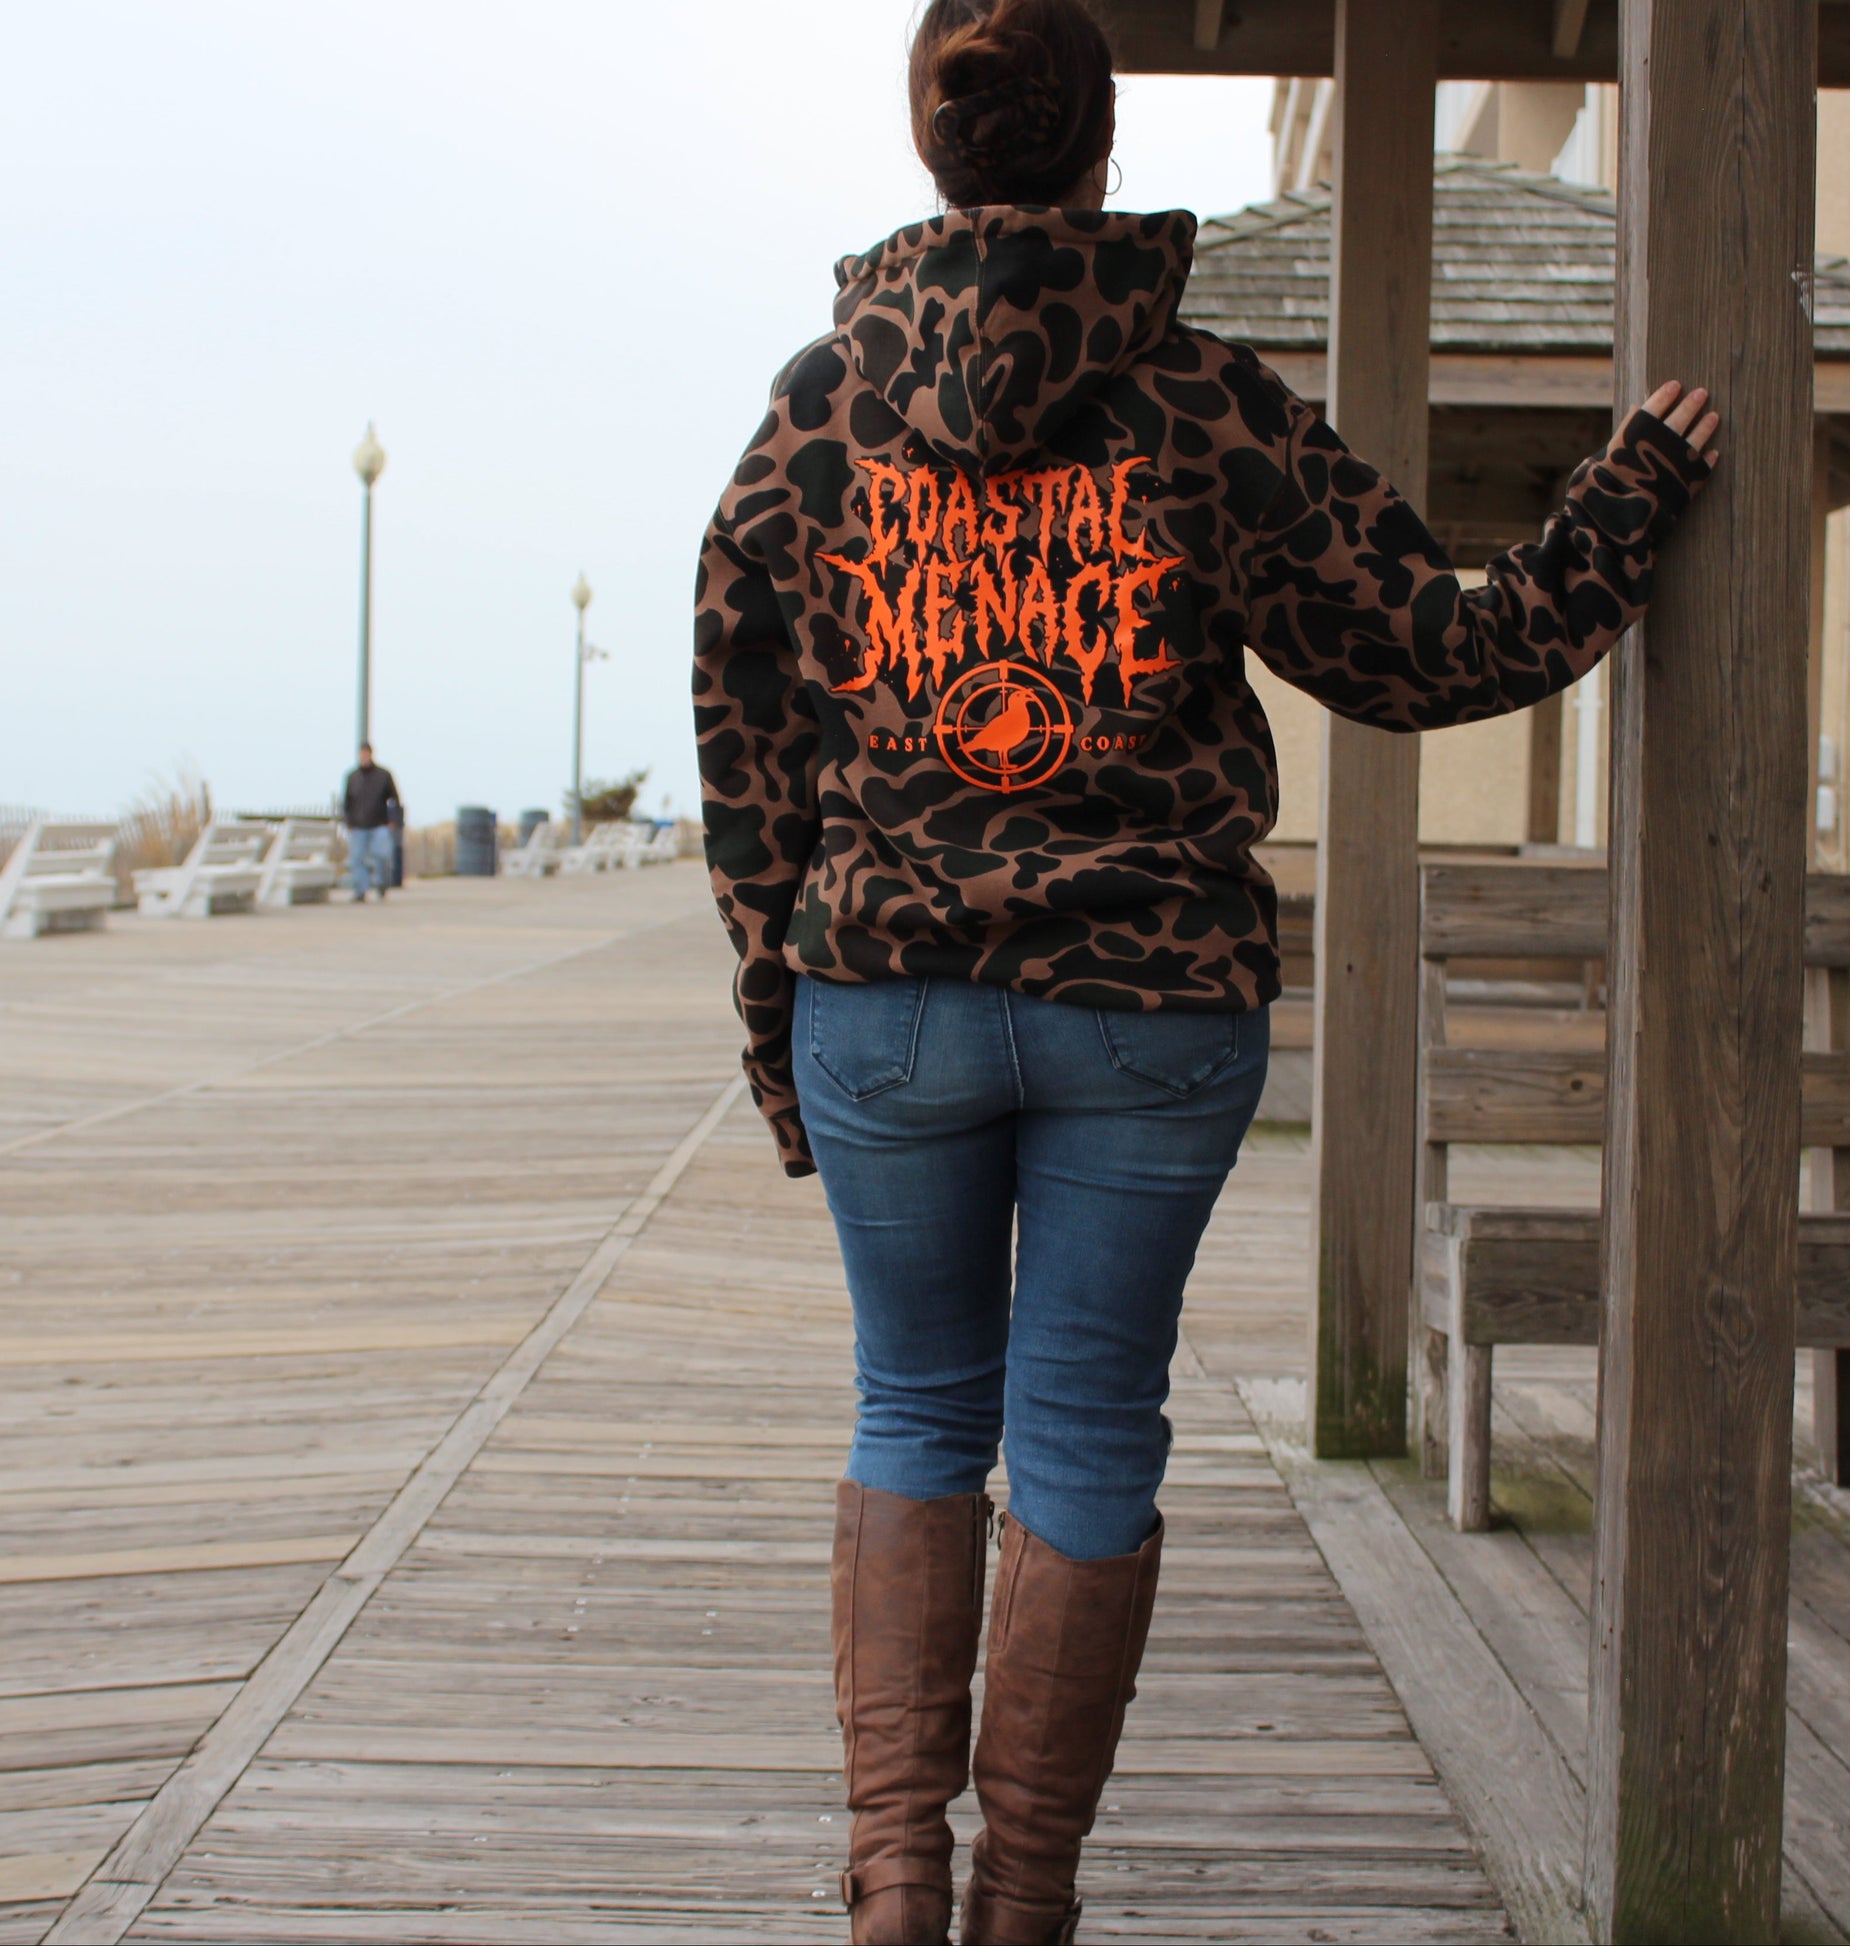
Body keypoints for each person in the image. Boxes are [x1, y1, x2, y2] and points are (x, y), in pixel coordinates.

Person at [692, 3, 1718, 1939]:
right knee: (1082, 1428)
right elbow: (1430, 651)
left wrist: (777, 1015)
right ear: (1093, 151)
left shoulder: (813, 406)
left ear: (933, 155)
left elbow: (742, 740)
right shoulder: (1202, 399)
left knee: (915, 1408)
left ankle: (894, 1874)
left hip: (888, 994)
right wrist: (1621, 503)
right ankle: (1025, 1901)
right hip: (1148, 1008)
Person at [341, 743, 400, 902]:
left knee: (382, 856)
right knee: (357, 858)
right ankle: (361, 891)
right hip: (358, 826)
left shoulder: (383, 775)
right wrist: (348, 822)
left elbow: (395, 798)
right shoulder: (352, 777)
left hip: (380, 824)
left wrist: (393, 820)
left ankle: (381, 884)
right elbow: (346, 802)